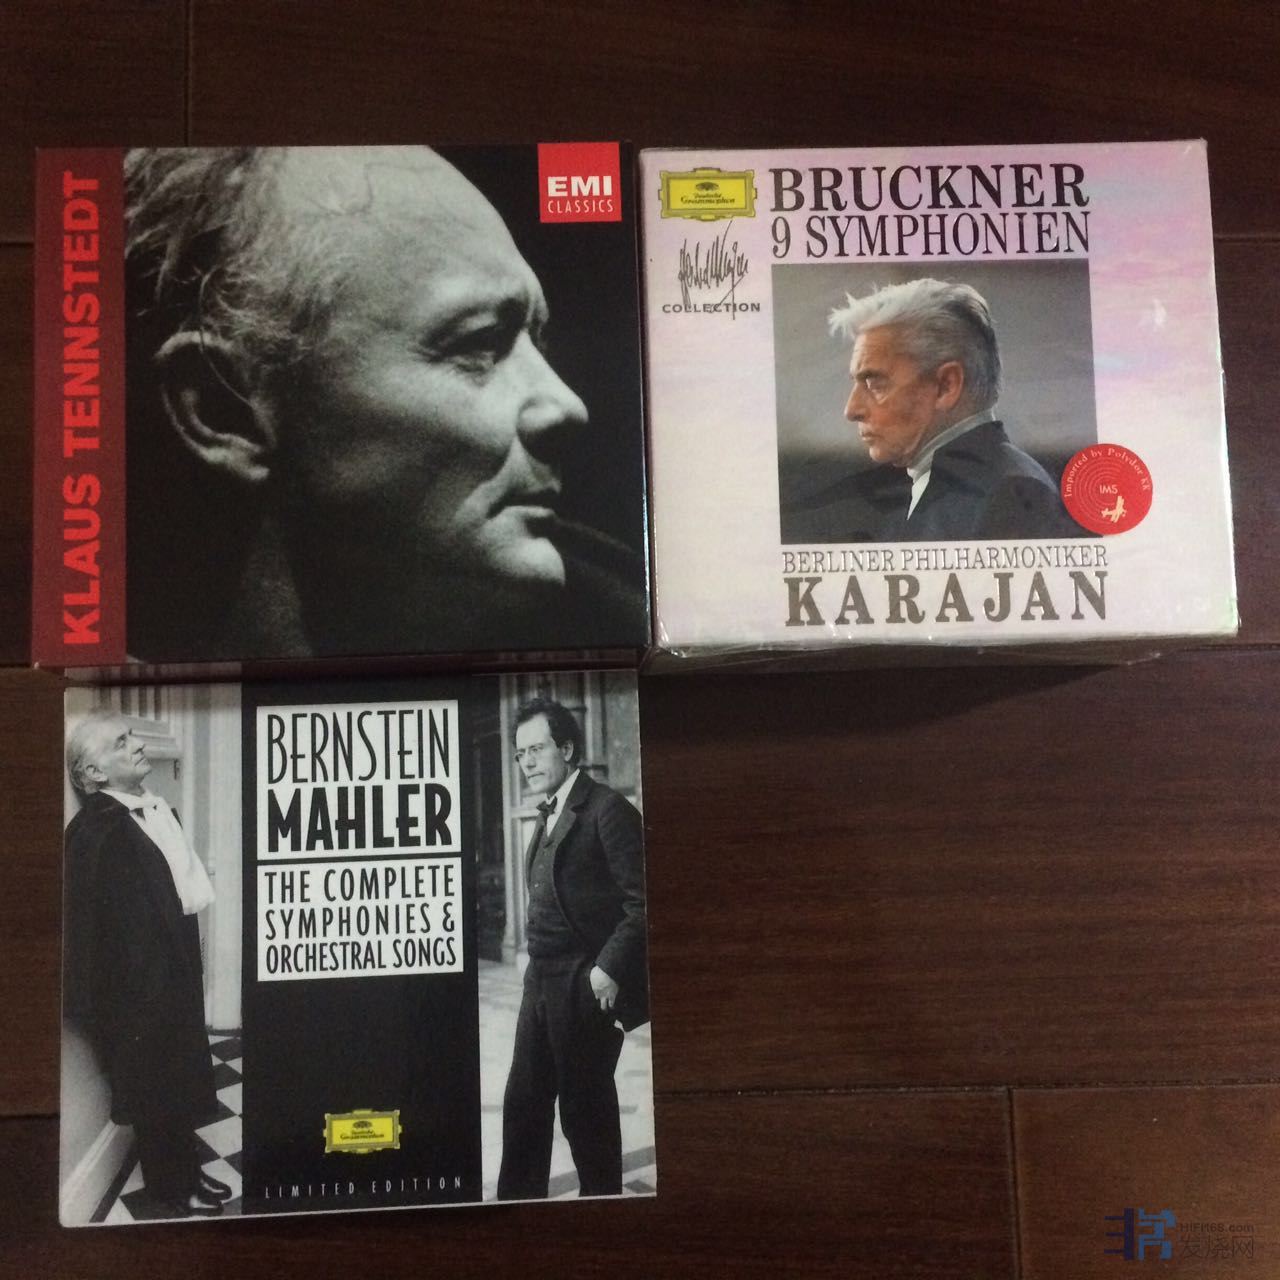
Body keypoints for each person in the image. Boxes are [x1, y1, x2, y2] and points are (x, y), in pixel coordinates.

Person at [123, 146, 644, 659]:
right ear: (224, 410)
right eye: (479, 342)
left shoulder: (626, 617)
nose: (568, 405)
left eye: (539, 343)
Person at [63, 710, 229, 1218]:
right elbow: (87, 930)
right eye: (120, 743)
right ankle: (170, 1188)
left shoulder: (151, 809)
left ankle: (187, 1170)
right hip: (137, 995)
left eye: (131, 736)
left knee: (178, 1081)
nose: (137, 745)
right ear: (94, 773)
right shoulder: (94, 831)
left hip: (169, 977)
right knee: (156, 1092)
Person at [788, 278, 1086, 542]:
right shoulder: (960, 486)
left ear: (946, 385)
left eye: (875, 383)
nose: (851, 410)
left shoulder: (1010, 495)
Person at [497, 697, 648, 1200]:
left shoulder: (607, 809)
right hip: (538, 982)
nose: (527, 762)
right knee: (523, 1105)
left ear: (566, 748)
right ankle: (518, 1214)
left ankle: (601, 1211)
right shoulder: (548, 812)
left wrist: (609, 967)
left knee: (585, 1115)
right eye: (520, 754)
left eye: (536, 749)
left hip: (582, 983)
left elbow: (644, 901)